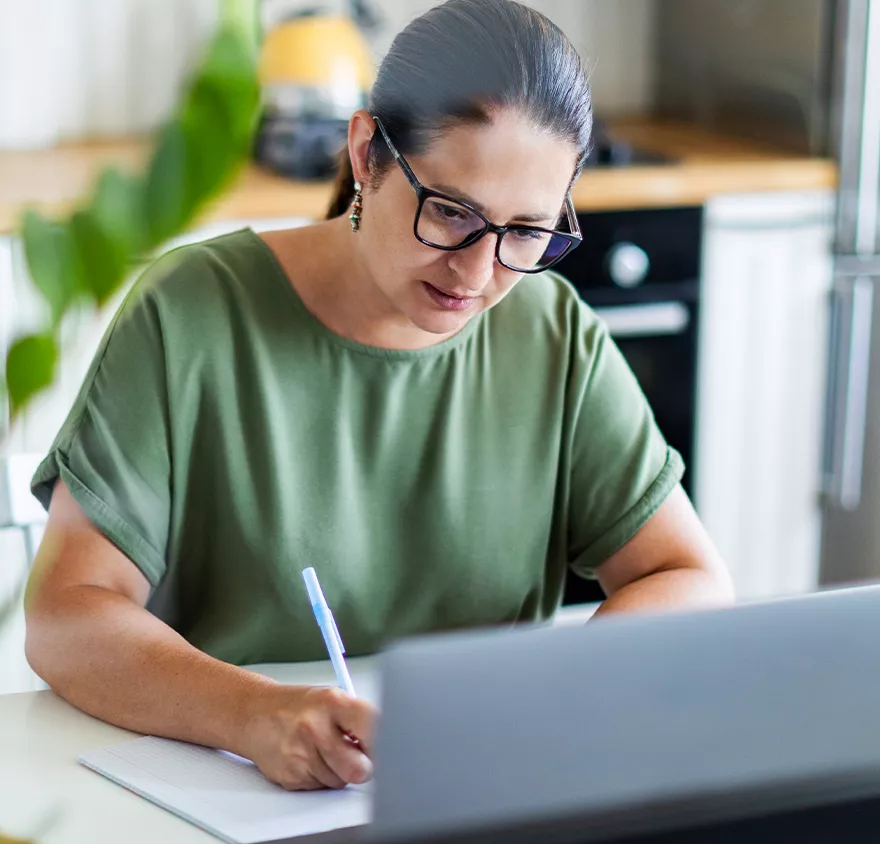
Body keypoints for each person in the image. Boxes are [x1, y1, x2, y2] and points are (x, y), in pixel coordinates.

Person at [24, 0, 733, 793]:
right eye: (452, 213)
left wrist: (548, 688)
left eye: (527, 232)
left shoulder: (553, 333)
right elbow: (64, 616)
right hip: (229, 791)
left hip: (472, 793)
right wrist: (251, 714)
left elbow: (688, 578)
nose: (476, 272)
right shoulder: (190, 312)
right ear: (367, 154)